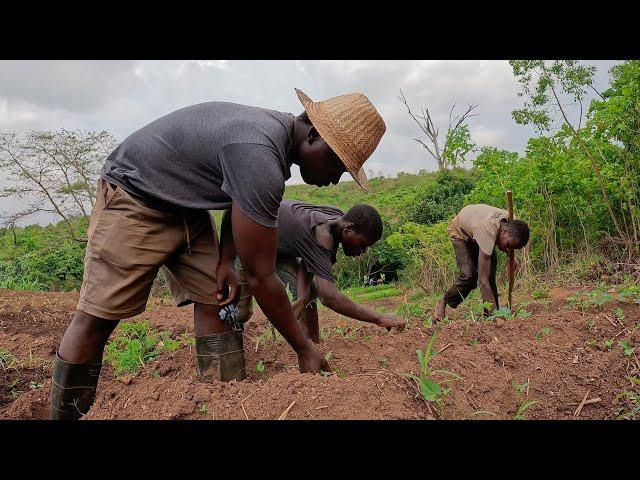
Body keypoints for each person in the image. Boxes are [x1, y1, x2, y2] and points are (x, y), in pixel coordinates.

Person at [50, 88, 386, 419]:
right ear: (313, 135)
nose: (336, 177)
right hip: (135, 196)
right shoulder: (259, 152)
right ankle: (67, 415)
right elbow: (261, 276)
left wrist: (225, 261)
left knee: (216, 299)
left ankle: (222, 403)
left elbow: (235, 202)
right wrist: (304, 348)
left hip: (187, 206)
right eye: (338, 164)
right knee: (96, 319)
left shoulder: (270, 146)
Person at [233, 201, 405, 343]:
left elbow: (309, 259)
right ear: (348, 229)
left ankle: (312, 343)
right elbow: (329, 297)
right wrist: (378, 318)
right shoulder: (322, 236)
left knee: (309, 294)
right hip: (250, 242)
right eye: (363, 244)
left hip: (279, 247)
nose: (363, 251)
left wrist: (301, 297)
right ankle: (227, 348)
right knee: (239, 311)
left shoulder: (337, 217)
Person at [433, 203, 530, 321]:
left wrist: (510, 256)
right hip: (461, 233)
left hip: (478, 228)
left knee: (490, 277)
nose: (508, 249)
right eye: (508, 245)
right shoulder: (487, 232)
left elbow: (510, 241)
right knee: (470, 276)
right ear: (504, 232)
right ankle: (444, 300)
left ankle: (488, 316)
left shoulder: (511, 222)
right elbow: (482, 281)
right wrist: (497, 316)